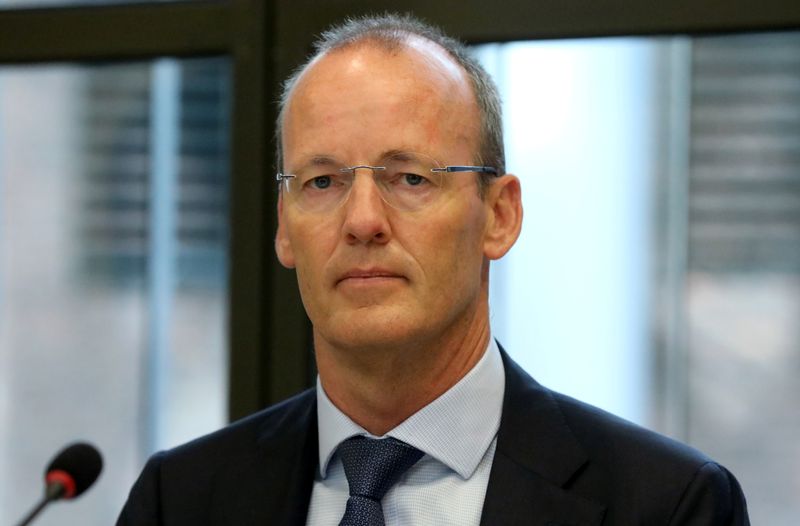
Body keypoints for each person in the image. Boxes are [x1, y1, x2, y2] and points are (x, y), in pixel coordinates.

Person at [117, 13, 749, 525]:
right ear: (284, 226)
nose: (362, 220)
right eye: (322, 181)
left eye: (411, 177)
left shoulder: (669, 504)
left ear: (499, 215)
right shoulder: (182, 500)